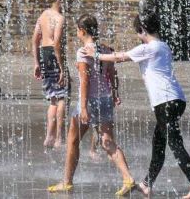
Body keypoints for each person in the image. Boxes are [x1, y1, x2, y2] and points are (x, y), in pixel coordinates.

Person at [87, 9, 190, 199]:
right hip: (176, 100)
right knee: (159, 143)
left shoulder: (149, 48)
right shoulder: (163, 46)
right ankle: (146, 184)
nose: (138, 36)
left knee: (174, 143)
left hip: (165, 102)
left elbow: (119, 57)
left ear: (142, 30)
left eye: (137, 32)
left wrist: (96, 55)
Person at [48, 14, 135, 195]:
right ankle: (128, 178)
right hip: (105, 99)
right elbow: (113, 74)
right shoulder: (106, 50)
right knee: (107, 141)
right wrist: (115, 94)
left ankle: (67, 182)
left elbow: (85, 81)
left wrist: (84, 107)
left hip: (89, 101)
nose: (77, 34)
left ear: (83, 31)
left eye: (77, 31)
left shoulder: (83, 52)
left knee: (72, 141)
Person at [32, 0, 74, 148]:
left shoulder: (43, 15)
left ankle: (49, 137)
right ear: (60, 0)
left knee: (53, 98)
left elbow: (35, 40)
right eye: (68, 2)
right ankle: (59, 138)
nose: (69, 5)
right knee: (63, 96)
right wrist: (63, 69)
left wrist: (36, 62)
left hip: (43, 54)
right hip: (54, 54)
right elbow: (56, 43)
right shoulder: (59, 18)